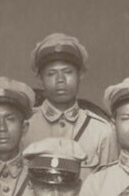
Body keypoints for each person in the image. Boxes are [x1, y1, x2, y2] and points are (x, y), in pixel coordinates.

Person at [23, 32, 116, 173]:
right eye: (51, 74)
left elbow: (108, 183)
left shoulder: (101, 131)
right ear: (40, 79)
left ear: (80, 75)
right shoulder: (25, 127)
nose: (60, 79)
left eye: (67, 72)